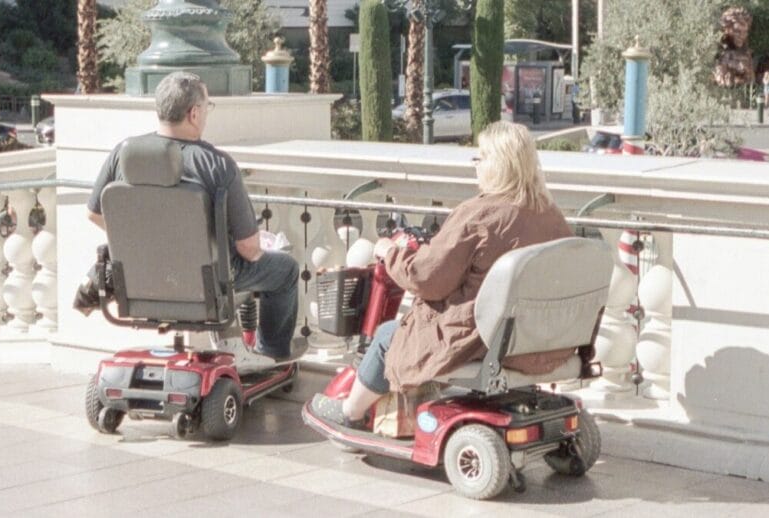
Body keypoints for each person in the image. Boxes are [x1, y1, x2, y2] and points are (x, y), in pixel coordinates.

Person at [311, 121, 574, 428]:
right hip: (540, 338)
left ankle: (350, 413)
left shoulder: (480, 216)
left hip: (482, 337)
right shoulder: (550, 213)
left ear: (500, 166)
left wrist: (389, 252)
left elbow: (428, 280)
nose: (476, 164)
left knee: (386, 337)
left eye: (481, 157)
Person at [80, 71, 299, 359]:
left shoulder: (123, 153)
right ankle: (273, 353)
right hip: (207, 281)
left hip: (142, 275)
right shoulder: (217, 165)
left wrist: (145, 245)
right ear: (194, 113)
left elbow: (94, 214)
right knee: (286, 269)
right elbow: (249, 248)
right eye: (207, 107)